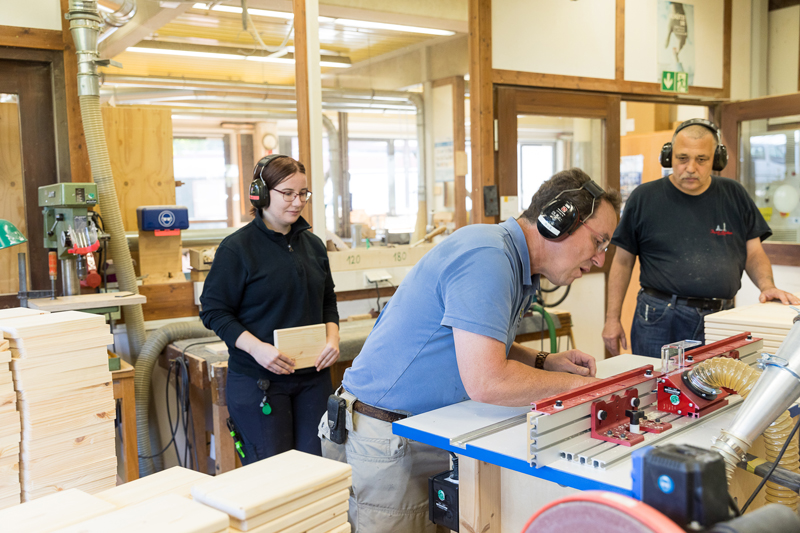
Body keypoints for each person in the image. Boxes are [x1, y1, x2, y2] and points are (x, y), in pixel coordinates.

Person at [319, 168, 621, 532]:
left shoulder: (512, 261)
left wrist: (546, 361)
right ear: (558, 220)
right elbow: (487, 380)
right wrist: (580, 390)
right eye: (599, 242)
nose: (600, 259)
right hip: (386, 440)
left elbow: (483, 346)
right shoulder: (487, 257)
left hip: (417, 431)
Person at [602, 119, 800, 358]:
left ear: (716, 160)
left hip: (721, 317)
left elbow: (754, 252)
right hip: (660, 317)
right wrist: (612, 319)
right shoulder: (644, 197)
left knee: (717, 390)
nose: (691, 167)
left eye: (701, 159)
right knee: (657, 390)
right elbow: (622, 262)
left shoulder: (734, 195)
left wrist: (767, 286)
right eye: (682, 158)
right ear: (668, 157)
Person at [200, 155, 340, 463]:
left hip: (313, 378)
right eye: (287, 193)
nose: (297, 201)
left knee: (316, 470)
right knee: (274, 475)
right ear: (261, 195)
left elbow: (327, 300)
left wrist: (333, 338)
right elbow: (213, 311)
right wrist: (258, 349)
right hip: (260, 381)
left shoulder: (313, 245)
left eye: (303, 193)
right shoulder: (237, 249)